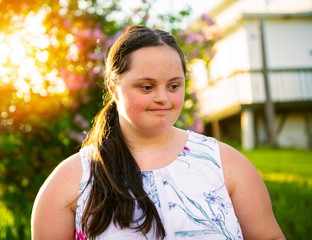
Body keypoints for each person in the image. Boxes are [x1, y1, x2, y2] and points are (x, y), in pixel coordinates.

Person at [31, 25, 285, 240]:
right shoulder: (70, 180)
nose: (163, 98)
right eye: (146, 87)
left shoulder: (224, 163)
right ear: (114, 88)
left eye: (174, 85)